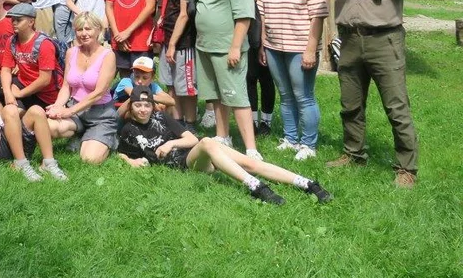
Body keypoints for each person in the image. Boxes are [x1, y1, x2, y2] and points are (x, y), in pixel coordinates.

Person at [311, 0, 426, 188]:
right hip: (349, 41)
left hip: (385, 41)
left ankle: (406, 167)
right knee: (350, 105)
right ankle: (354, 154)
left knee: (396, 107)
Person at [117, 86, 332, 206]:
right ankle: (256, 187)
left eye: (147, 105)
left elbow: (190, 139)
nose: (143, 109)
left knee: (249, 161)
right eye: (138, 105)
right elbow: (120, 153)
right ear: (131, 107)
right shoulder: (129, 130)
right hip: (184, 163)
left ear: (153, 106)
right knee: (209, 142)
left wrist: (171, 142)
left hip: (196, 151)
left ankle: (307, 183)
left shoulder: (162, 118)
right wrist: (131, 160)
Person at [261, 0, 328, 160]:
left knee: (303, 96)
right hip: (273, 46)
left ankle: (308, 144)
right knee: (285, 95)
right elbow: (264, 14)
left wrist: (311, 49)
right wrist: (263, 44)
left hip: (299, 48)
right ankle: (290, 138)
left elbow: (317, 16)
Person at [193, 0, 260, 159]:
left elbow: (244, 16)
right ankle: (223, 136)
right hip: (204, 46)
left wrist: (235, 47)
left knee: (236, 96)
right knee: (216, 96)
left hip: (226, 48)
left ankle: (251, 149)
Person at [44, 12, 119, 165]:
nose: (83, 33)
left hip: (101, 114)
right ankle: (80, 135)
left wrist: (69, 111)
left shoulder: (108, 55)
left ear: (98, 30)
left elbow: (99, 93)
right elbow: (66, 86)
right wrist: (58, 106)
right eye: (79, 29)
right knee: (48, 127)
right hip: (76, 110)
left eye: (88, 29)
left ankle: (109, 138)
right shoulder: (71, 52)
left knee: (89, 160)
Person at [237, 0, 280, 137]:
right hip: (244, 29)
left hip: (267, 28)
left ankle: (267, 120)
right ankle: (252, 119)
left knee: (266, 76)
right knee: (248, 76)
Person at [152, 0, 199, 126]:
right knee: (172, 83)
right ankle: (176, 122)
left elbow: (184, 14)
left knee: (186, 88)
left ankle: (191, 124)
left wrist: (172, 44)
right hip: (169, 39)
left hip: (182, 43)